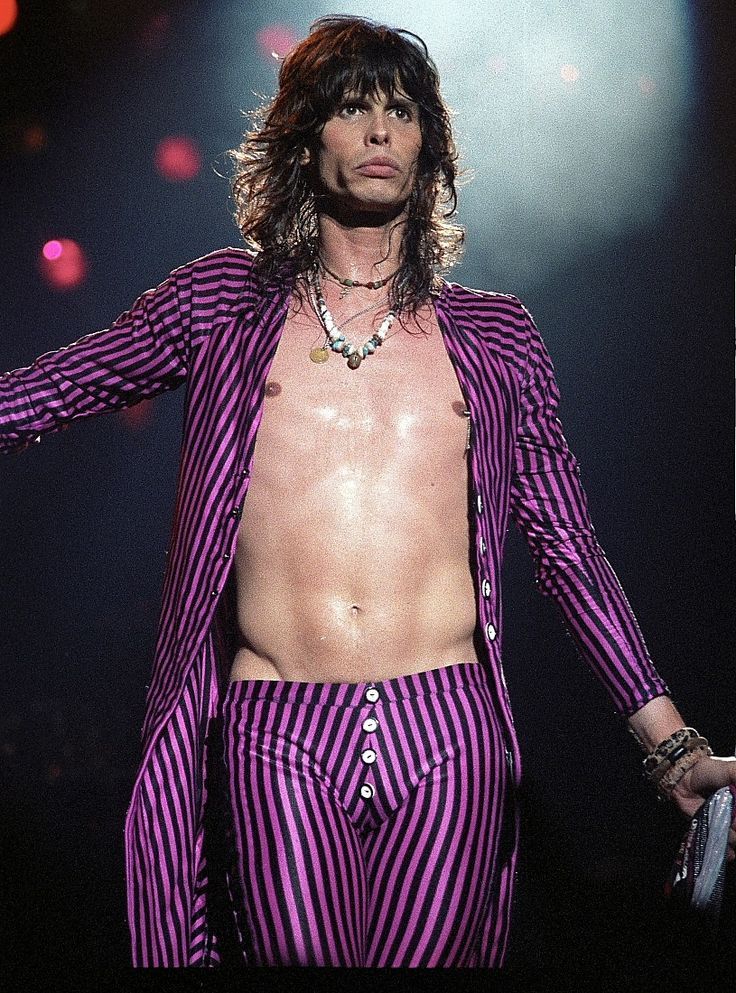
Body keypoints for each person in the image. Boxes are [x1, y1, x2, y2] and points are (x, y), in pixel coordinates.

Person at [1, 14, 734, 970]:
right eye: (352, 109)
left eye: (402, 111)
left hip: (448, 730)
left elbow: (568, 551)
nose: (381, 130)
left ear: (429, 148)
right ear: (304, 140)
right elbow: (57, 387)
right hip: (277, 728)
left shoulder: (497, 338)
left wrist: (672, 746)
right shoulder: (222, 305)